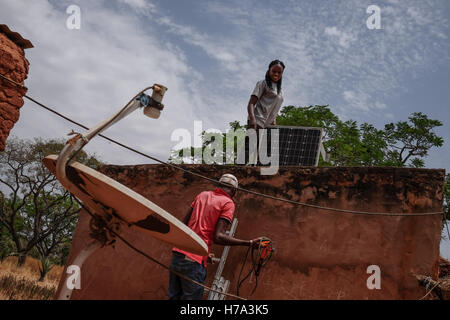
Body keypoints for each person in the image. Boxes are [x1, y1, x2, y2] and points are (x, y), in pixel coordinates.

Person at [168, 173, 263, 300]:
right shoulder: (228, 203)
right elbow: (218, 237)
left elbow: (184, 225)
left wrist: (204, 254)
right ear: (234, 190)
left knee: (174, 297)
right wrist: (249, 243)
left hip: (178, 255)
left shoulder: (202, 195)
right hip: (194, 261)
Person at [245, 59, 285, 164]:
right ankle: (232, 176)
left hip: (267, 125)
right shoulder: (262, 84)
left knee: (260, 155)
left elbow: (274, 107)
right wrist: (252, 119)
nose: (276, 74)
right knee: (248, 150)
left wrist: (273, 121)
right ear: (269, 70)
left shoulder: (280, 90)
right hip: (257, 121)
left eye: (279, 72)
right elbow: (251, 103)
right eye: (274, 71)